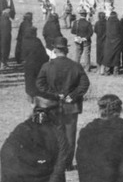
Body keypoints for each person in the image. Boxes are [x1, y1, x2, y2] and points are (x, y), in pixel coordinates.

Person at [36, 37, 91, 170]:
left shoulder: (47, 66)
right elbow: (85, 83)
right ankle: (67, 164)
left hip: (52, 106)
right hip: (71, 107)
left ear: (54, 50)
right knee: (69, 135)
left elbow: (40, 84)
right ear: (66, 50)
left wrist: (55, 95)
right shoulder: (75, 66)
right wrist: (73, 96)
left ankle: (56, 163)